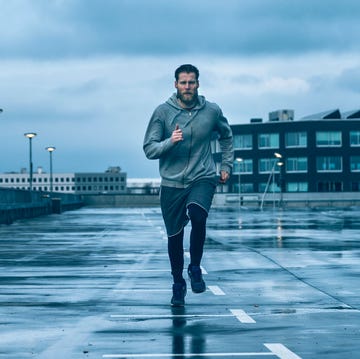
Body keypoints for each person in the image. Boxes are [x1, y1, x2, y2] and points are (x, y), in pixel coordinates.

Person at [143, 64, 233, 306]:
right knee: (175, 236)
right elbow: (149, 149)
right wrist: (170, 142)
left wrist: (226, 165)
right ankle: (178, 283)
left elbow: (227, 136)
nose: (187, 87)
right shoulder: (163, 112)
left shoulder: (212, 111)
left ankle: (195, 267)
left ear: (198, 84)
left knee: (198, 215)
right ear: (175, 85)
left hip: (202, 176)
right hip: (172, 183)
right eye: (183, 82)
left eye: (191, 82)